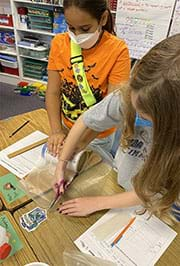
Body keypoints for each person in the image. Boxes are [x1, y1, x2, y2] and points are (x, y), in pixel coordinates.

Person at [53, 34, 180, 224]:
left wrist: (97, 202)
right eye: (135, 107)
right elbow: (85, 121)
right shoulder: (133, 94)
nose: (137, 114)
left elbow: (151, 191)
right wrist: (61, 164)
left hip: (165, 209)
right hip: (124, 187)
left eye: (145, 115)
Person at [46, 0, 130, 161]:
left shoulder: (118, 50)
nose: (77, 36)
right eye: (71, 28)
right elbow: (53, 92)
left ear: (103, 19)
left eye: (85, 29)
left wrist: (83, 141)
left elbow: (111, 107)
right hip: (66, 126)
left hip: (97, 134)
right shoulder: (59, 43)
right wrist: (57, 131)